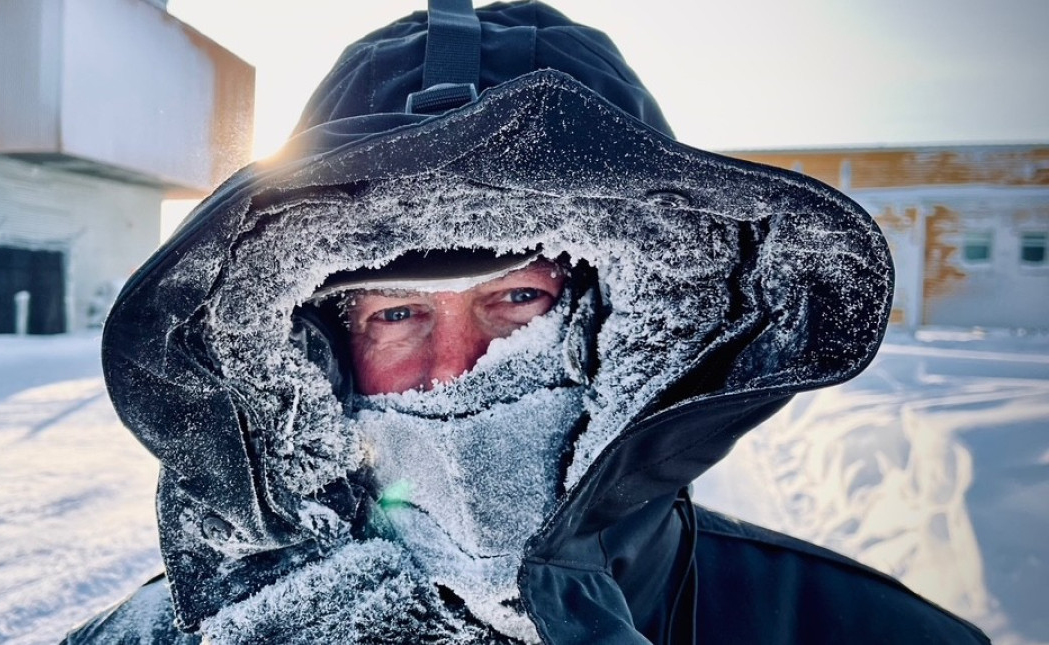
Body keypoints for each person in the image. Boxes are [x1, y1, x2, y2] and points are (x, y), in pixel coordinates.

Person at [64, 1, 990, 643]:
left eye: (517, 300)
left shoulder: (861, 633)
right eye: (397, 312)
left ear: (624, 330)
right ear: (319, 351)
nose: (460, 368)